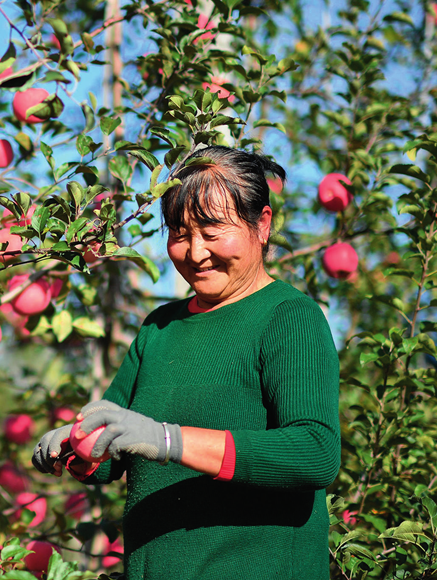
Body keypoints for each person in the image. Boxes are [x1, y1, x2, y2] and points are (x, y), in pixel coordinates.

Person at [31, 146, 341, 579]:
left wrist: (167, 441)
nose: (195, 253)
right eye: (179, 232)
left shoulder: (288, 317)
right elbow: (112, 456)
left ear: (262, 224)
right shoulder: (159, 328)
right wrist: (78, 447)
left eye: (213, 230)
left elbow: (314, 452)